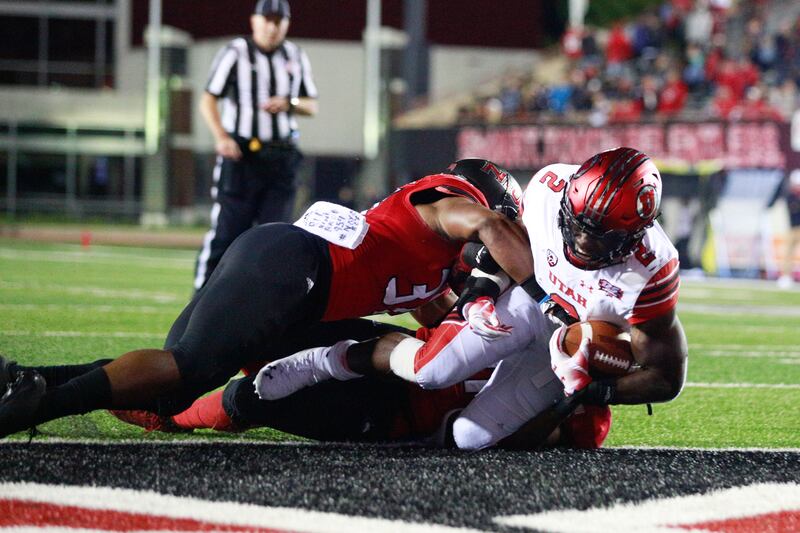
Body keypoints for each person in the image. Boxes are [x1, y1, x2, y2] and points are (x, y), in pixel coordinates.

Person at [0, 159, 533, 439]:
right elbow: (486, 223)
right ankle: (34, 407)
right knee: (183, 370)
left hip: (290, 281)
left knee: (169, 388)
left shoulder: (436, 271)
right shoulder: (450, 206)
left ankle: (26, 379)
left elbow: (442, 332)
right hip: (292, 267)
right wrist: (538, 291)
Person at [259, 147, 689, 447]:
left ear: (634, 235)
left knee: (471, 438)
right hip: (531, 301)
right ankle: (323, 362)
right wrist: (483, 290)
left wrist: (591, 389)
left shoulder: (651, 270)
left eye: (597, 236)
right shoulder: (549, 188)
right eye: (573, 222)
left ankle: (436, 426)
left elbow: (666, 380)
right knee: (432, 368)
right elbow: (512, 252)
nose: (578, 238)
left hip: (571, 345)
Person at [108, 318, 612, 451]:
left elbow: (519, 439)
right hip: (393, 351)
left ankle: (171, 415)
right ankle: (163, 380)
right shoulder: (544, 301)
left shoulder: (587, 411)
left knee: (256, 396)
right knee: (266, 335)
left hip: (396, 417)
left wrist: (566, 401)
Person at [194, 0, 318, 290]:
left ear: (287, 24)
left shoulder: (295, 55)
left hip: (281, 156)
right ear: (254, 21)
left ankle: (262, 306)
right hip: (242, 156)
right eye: (267, 19)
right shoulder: (236, 52)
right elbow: (208, 98)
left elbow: (312, 105)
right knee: (226, 234)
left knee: (276, 237)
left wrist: (290, 103)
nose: (273, 27)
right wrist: (222, 137)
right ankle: (200, 299)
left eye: (279, 21)